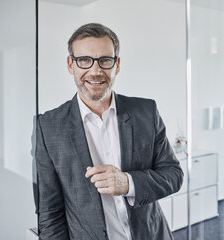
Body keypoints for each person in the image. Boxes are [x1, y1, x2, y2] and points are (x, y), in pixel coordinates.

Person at [35, 23, 183, 240]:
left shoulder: (146, 112)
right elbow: (49, 213)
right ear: (70, 64)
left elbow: (173, 175)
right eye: (84, 60)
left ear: (117, 65)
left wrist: (128, 183)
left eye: (105, 60)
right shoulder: (48, 126)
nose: (95, 71)